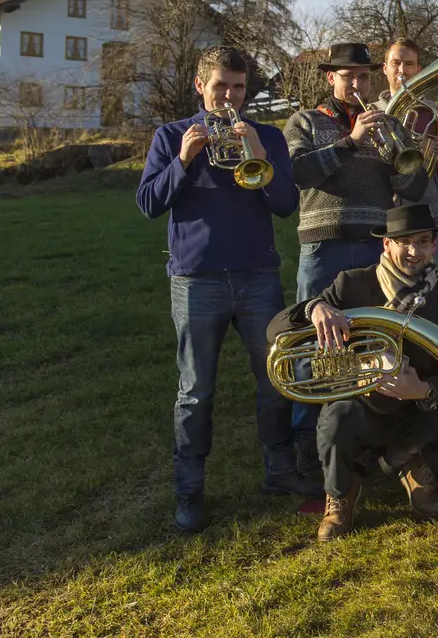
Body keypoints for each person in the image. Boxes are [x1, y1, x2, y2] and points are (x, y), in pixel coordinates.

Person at [136, 45, 317, 533]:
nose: (231, 97)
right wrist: (182, 161)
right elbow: (148, 203)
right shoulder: (171, 135)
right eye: (222, 87)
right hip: (196, 279)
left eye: (239, 88)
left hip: (257, 275)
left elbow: (285, 206)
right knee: (195, 391)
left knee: (275, 379)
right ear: (201, 86)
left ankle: (279, 471)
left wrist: (261, 158)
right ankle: (189, 489)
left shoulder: (267, 137)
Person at [271, 204, 438, 541]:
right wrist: (314, 308)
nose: (413, 251)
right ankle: (341, 494)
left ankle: (406, 463)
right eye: (403, 242)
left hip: (417, 408)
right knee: (335, 421)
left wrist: (422, 389)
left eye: (422, 242)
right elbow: (276, 331)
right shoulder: (352, 285)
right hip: (363, 405)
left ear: (435, 246)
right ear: (386, 245)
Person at [283, 42, 427, 474]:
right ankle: (310, 450)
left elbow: (415, 191)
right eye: (349, 77)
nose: (359, 84)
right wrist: (351, 142)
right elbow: (298, 173)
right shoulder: (305, 121)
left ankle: (366, 441)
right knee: (313, 343)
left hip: (373, 248)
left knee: (371, 343)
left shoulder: (388, 125)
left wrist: (404, 157)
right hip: (323, 245)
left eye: (365, 76)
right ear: (331, 78)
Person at [379, 38, 438, 239]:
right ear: (385, 68)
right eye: (396, 63)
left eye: (409, 64)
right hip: (383, 212)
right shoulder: (371, 113)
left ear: (419, 69)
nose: (402, 70)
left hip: (425, 212)